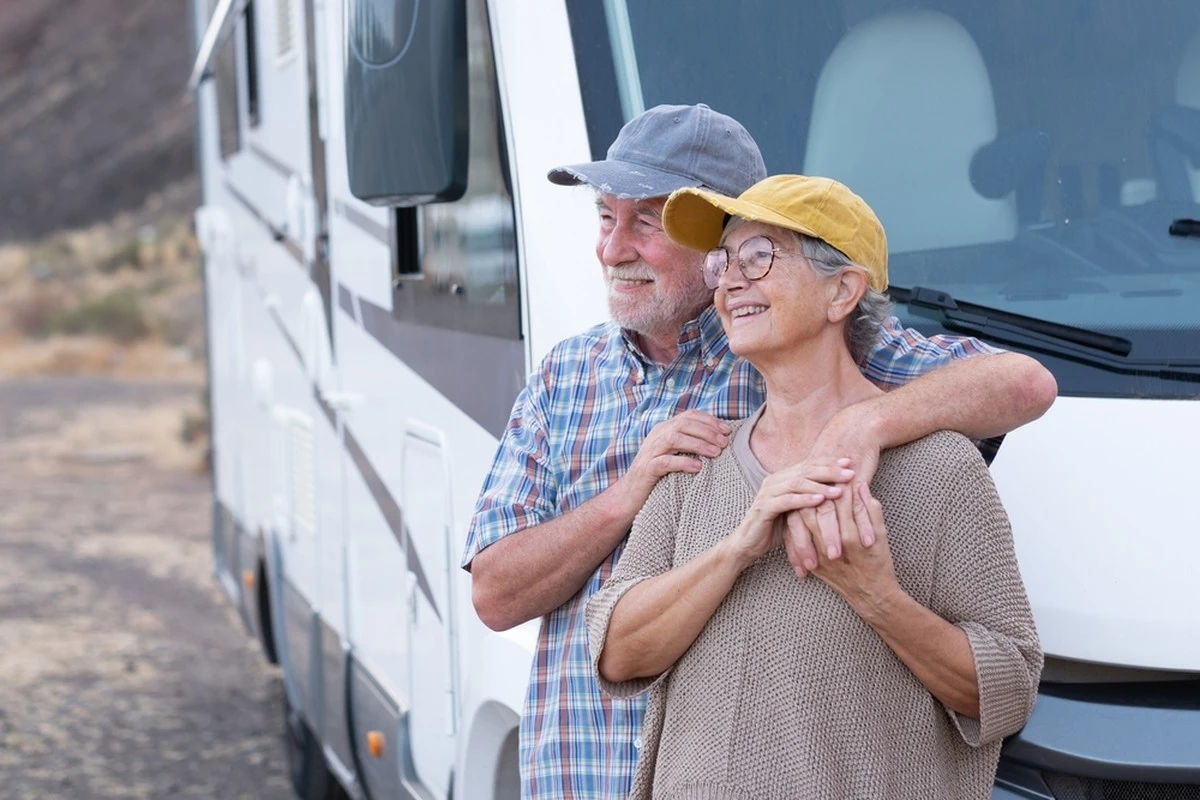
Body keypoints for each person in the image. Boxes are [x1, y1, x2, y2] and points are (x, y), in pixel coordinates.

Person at [462, 104, 1056, 798]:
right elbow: (497, 595)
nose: (611, 248)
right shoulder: (567, 377)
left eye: (646, 222)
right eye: (604, 218)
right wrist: (631, 495)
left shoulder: (798, 344)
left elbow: (1025, 383)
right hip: (580, 779)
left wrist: (861, 428)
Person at [586, 174, 1043, 799]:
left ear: (842, 292)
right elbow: (614, 653)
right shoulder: (697, 463)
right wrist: (737, 548)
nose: (730, 282)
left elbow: (1008, 694)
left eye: (760, 257)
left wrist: (877, 597)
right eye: (724, 262)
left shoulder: (942, 470)